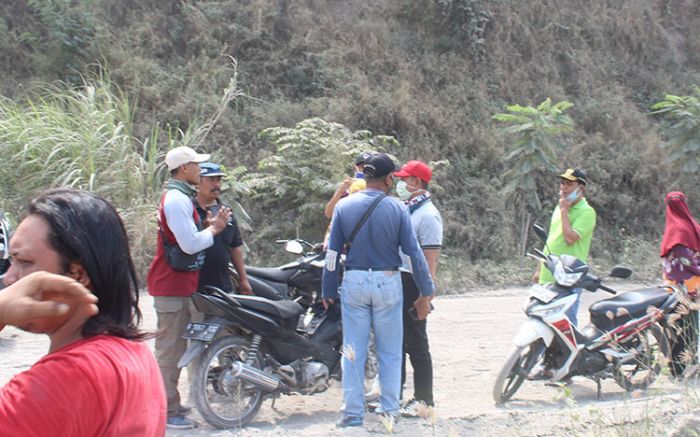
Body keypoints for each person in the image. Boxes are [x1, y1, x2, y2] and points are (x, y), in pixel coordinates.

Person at [0, 189, 166, 435]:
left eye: (24, 262)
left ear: (77, 275)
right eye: (9, 262)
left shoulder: (65, 378)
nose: (9, 278)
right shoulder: (133, 351)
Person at [322, 153, 435, 428]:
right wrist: (426, 289)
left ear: (366, 176)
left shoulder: (344, 207)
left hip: (355, 280)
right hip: (388, 280)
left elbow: (333, 251)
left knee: (352, 350)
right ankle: (389, 412)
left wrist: (327, 286)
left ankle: (351, 416)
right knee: (390, 350)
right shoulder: (397, 208)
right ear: (387, 179)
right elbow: (413, 253)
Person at [146, 146, 231, 429]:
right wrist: (214, 230)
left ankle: (172, 403)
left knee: (176, 347)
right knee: (170, 351)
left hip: (179, 285)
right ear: (184, 169)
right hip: (172, 287)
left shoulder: (178, 197)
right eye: (196, 165)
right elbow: (190, 244)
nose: (200, 170)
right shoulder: (176, 200)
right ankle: (166, 412)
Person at [393, 160, 443, 417]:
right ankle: (395, 395)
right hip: (400, 280)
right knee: (398, 342)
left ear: (418, 183)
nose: (401, 184)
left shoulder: (428, 215)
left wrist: (426, 293)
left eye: (405, 179)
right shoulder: (408, 209)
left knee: (417, 343)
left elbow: (430, 258)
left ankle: (424, 400)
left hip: (415, 283)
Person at [532, 168, 596, 326]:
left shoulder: (587, 212)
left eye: (569, 184)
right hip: (548, 275)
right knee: (541, 322)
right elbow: (551, 240)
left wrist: (564, 211)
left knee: (566, 323)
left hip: (569, 278)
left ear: (580, 188)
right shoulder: (561, 208)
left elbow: (569, 238)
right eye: (562, 183)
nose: (564, 188)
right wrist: (539, 270)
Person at [196, 162, 252, 295]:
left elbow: (235, 247)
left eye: (218, 179)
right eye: (210, 180)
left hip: (223, 286)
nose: (216, 184)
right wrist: (206, 230)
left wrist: (243, 279)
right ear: (198, 182)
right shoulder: (189, 210)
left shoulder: (226, 212)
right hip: (195, 287)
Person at [660, 191, 700, 378]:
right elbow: (687, 262)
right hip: (687, 289)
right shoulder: (684, 229)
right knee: (689, 327)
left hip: (674, 287)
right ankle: (680, 368)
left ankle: (679, 365)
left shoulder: (672, 229)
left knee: (678, 327)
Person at [323, 152, 372, 219]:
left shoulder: (379, 188)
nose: (365, 171)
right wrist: (340, 191)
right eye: (362, 167)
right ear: (356, 168)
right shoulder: (347, 187)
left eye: (368, 168)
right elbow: (329, 213)